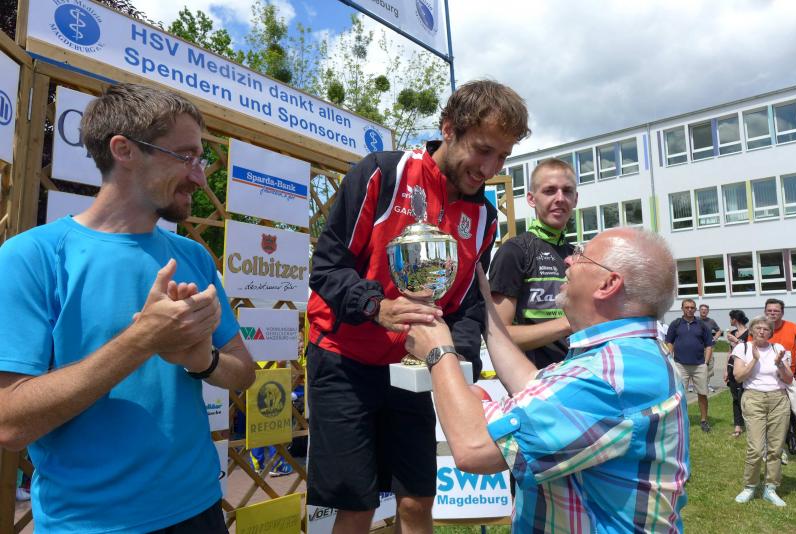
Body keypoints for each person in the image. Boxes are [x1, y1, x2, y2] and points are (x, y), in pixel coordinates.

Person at [0, 83, 255, 532]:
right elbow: (10, 424)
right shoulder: (31, 257)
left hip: (200, 508)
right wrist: (142, 339)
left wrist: (203, 360)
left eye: (200, 159)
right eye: (186, 156)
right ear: (125, 150)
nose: (199, 177)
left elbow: (244, 371)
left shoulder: (193, 255)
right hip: (91, 523)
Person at [305, 80, 530, 534]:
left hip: (413, 370)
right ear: (448, 129)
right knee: (356, 507)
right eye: (483, 150)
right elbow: (326, 269)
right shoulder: (382, 173)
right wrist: (376, 307)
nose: (490, 168)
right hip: (344, 359)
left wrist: (457, 364)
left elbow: (466, 303)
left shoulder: (484, 217)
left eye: (503, 157)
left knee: (417, 500)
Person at [404, 227, 689, 532]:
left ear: (608, 284)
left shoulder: (610, 375)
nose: (568, 260)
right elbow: (529, 382)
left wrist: (438, 351)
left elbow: (474, 447)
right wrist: (484, 301)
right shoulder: (626, 357)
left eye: (581, 255)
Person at [487, 158, 576, 369]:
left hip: (578, 375)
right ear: (531, 199)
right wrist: (569, 323)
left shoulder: (578, 255)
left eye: (567, 191)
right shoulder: (514, 252)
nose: (560, 198)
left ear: (575, 199)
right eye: (549, 191)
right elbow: (498, 335)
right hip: (534, 380)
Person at [732, 316, 793, 506]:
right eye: (758, 328)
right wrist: (754, 360)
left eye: (766, 329)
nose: (761, 331)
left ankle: (770, 488)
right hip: (754, 398)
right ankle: (750, 486)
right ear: (751, 330)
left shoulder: (778, 349)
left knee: (776, 448)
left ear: (770, 333)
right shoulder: (742, 348)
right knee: (756, 448)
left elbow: (789, 379)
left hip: (778, 399)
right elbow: (738, 377)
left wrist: (780, 363)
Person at [666, 298, 715, 432]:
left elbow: (709, 345)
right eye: (687, 307)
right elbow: (669, 341)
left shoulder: (702, 325)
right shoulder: (675, 324)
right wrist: (671, 358)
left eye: (692, 307)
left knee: (702, 394)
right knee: (679, 395)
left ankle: (704, 420)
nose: (689, 309)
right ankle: (679, 420)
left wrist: (706, 362)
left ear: (695, 309)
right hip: (680, 365)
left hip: (699, 365)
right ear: (682, 308)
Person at [763, 298, 796, 455]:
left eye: (776, 311)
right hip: (767, 380)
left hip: (789, 377)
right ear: (765, 312)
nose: (772, 313)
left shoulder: (793, 328)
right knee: (774, 412)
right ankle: (789, 437)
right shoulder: (760, 329)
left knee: (794, 407)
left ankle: (791, 434)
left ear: (782, 313)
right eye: (769, 310)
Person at [725, 309, 749, 438]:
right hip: (731, 367)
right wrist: (725, 370)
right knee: (735, 398)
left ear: (735, 319)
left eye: (731, 318)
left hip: (744, 368)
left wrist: (736, 340)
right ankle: (738, 426)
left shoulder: (749, 333)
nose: (730, 320)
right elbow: (730, 352)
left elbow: (749, 348)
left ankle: (750, 423)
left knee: (744, 397)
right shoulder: (732, 333)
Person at [699, 303, 722, 392]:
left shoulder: (711, 321)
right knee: (695, 365)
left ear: (708, 311)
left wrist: (715, 338)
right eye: (702, 309)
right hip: (697, 347)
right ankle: (693, 384)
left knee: (709, 365)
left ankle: (707, 384)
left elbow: (719, 331)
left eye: (705, 310)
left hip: (709, 347)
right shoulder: (695, 320)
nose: (704, 311)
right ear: (699, 310)